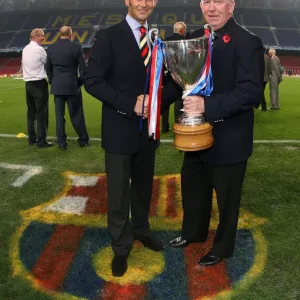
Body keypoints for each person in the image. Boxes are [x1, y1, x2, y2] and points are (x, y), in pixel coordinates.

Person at [84, 0, 179, 277]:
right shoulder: (108, 36)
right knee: (118, 194)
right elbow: (92, 80)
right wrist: (131, 103)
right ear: (127, 1)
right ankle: (121, 244)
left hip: (148, 132)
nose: (145, 3)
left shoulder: (157, 40)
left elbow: (173, 82)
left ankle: (141, 229)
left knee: (143, 187)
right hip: (119, 129)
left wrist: (157, 102)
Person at [169, 0, 264, 267]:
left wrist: (207, 106)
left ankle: (222, 247)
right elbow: (182, 83)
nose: (212, 8)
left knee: (227, 200)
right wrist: (150, 101)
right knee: (193, 190)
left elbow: (251, 93)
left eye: (219, 1)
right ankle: (193, 233)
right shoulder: (196, 39)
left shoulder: (247, 41)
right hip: (195, 135)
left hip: (230, 138)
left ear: (231, 6)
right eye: (206, 1)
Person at [45, 26, 89, 150]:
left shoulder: (51, 48)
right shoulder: (76, 47)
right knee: (76, 114)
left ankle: (61, 143)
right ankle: (83, 140)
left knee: (59, 116)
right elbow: (83, 68)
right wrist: (79, 82)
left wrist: (53, 81)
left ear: (60, 35)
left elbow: (48, 67)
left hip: (57, 86)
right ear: (71, 35)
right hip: (72, 85)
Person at [22, 28, 54, 148]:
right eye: (42, 36)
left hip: (28, 84)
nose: (43, 38)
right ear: (35, 36)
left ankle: (32, 138)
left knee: (31, 112)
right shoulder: (39, 50)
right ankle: (41, 140)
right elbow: (47, 62)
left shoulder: (25, 49)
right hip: (39, 84)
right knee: (41, 113)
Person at [161, 22, 186, 133]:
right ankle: (178, 124)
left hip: (166, 75)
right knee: (179, 101)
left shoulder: (164, 41)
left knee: (165, 101)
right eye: (184, 30)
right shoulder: (184, 42)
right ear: (182, 30)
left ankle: (165, 127)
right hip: (179, 75)